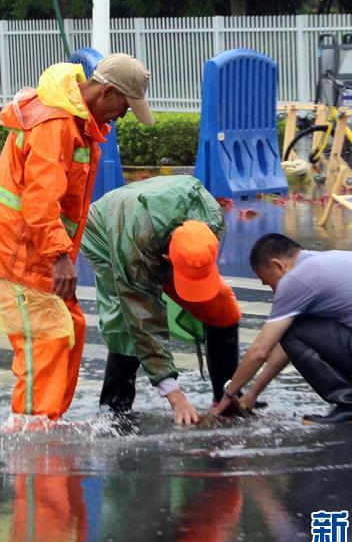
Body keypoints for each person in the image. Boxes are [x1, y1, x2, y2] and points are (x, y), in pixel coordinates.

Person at [0, 53, 155, 420]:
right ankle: (33, 430)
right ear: (107, 92)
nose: (122, 116)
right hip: (16, 251)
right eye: (124, 107)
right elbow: (39, 201)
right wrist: (59, 257)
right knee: (46, 340)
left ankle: (48, 423)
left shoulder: (76, 124)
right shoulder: (56, 123)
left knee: (72, 328)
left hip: (33, 249)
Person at [213, 233, 352, 424]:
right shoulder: (329, 263)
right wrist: (252, 393)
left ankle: (350, 406)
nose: (273, 291)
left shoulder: (297, 280)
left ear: (277, 265)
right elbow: (292, 347)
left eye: (269, 282)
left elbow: (261, 350)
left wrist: (228, 394)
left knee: (293, 329)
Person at [79, 175, 243, 425]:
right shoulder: (134, 244)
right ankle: (115, 407)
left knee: (222, 306)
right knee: (126, 321)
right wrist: (176, 398)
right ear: (167, 259)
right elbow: (143, 320)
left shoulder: (212, 220)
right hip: (107, 231)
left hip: (156, 227)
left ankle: (227, 397)